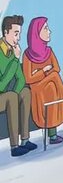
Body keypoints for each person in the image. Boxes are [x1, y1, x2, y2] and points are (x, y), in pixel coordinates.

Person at [22, 18, 63, 145]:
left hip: (49, 86)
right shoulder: (27, 55)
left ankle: (53, 135)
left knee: (51, 86)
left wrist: (38, 73)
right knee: (53, 77)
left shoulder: (48, 51)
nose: (49, 31)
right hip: (37, 89)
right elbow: (28, 79)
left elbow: (57, 68)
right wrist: (44, 71)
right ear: (36, 33)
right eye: (45, 29)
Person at [0, 15, 36, 157]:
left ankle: (25, 140)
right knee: (11, 96)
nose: (18, 38)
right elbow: (1, 85)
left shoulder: (13, 51)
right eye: (15, 34)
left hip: (8, 95)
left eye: (19, 34)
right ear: (5, 32)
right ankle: (14, 146)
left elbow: (21, 79)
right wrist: (15, 59)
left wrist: (16, 93)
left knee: (25, 92)